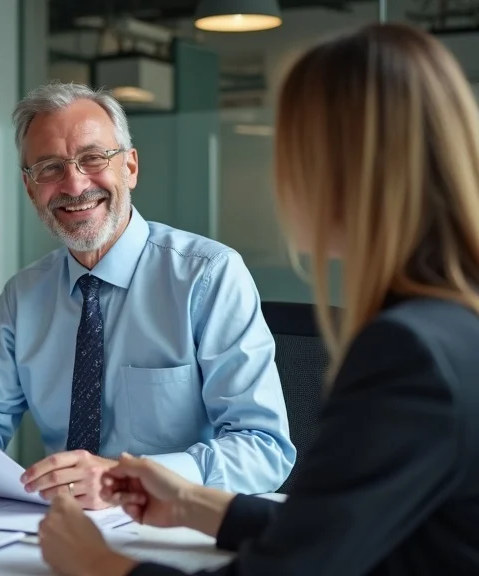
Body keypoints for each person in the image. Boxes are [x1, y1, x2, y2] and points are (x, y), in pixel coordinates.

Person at [37, 22, 479, 576]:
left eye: (289, 148)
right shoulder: (451, 326)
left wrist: (100, 566)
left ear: (341, 170)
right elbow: (346, 530)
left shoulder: (408, 352)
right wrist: (194, 503)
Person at [0, 82, 295, 508]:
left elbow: (263, 448)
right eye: (49, 168)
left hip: (178, 527)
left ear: (130, 168)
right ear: (30, 188)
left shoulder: (207, 277)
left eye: (93, 158)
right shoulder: (23, 296)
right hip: (57, 526)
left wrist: (129, 480)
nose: (74, 184)